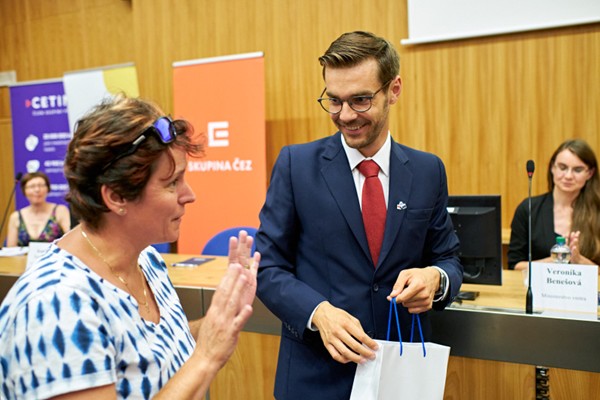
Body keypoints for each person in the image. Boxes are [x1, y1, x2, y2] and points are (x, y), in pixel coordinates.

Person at [0, 95, 260, 399]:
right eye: (172, 182)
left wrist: (219, 320)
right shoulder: (57, 306)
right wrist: (207, 357)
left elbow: (152, 353)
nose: (189, 195)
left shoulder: (146, 259)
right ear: (117, 197)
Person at [255, 31, 463, 400]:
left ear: (393, 90)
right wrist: (318, 313)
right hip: (315, 379)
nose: (346, 115)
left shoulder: (427, 170)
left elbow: (448, 259)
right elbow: (267, 267)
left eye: (361, 100)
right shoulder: (295, 165)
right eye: (334, 101)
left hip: (400, 379)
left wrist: (436, 279)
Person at [508, 138, 600, 269]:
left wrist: (579, 260)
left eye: (577, 170)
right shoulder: (528, 209)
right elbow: (515, 265)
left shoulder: (597, 211)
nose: (568, 176)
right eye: (563, 168)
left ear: (590, 173)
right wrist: (556, 260)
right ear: (552, 168)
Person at [5, 171, 71, 247]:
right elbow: (10, 249)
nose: (37, 190)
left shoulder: (60, 211)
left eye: (41, 185)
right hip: (23, 255)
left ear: (48, 189)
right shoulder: (15, 217)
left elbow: (72, 239)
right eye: (32, 186)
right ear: (24, 191)